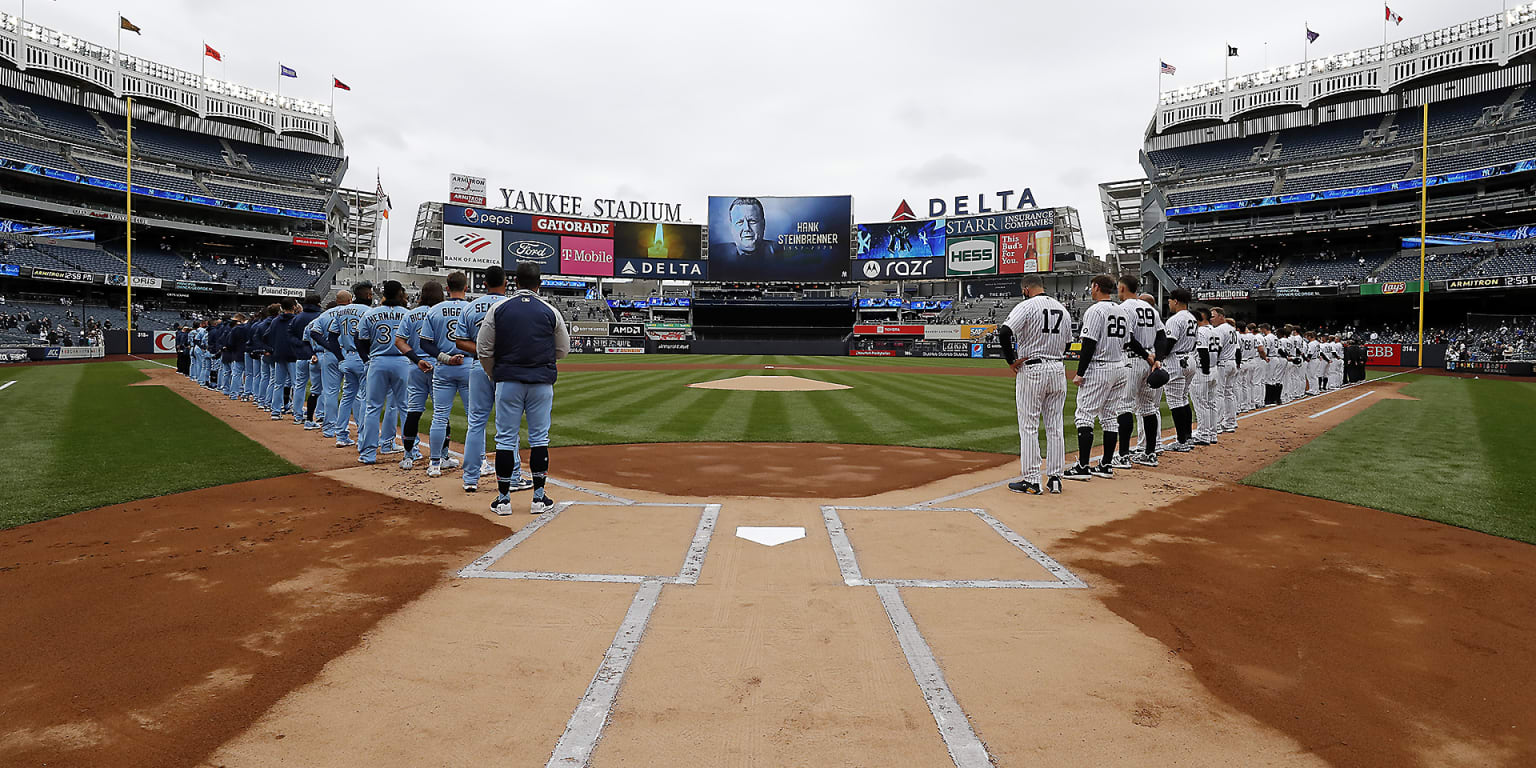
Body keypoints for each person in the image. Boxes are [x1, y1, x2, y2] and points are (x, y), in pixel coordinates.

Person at [476, 263, 570, 515]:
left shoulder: (498, 308)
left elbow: (483, 348)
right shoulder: (550, 310)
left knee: (505, 438)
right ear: (539, 284)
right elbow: (563, 350)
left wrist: (494, 373)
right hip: (541, 382)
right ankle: (539, 498)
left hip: (508, 381)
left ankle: (503, 500)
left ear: (515, 282)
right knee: (540, 438)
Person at [996, 273, 1070, 495]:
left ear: (1026, 289)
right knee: (1055, 425)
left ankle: (1032, 480)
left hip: (1033, 368)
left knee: (1029, 425)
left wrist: (1011, 360)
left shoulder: (1027, 306)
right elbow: (1068, 344)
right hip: (1057, 368)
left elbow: (1004, 332)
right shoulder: (1062, 309)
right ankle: (1055, 479)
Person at [1065, 274, 1134, 481]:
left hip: (1099, 367)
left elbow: (1089, 344)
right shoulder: (1122, 311)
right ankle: (1106, 465)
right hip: (1119, 365)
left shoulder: (1095, 310)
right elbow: (1128, 342)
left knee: (1084, 416)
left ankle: (1083, 466)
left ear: (1096, 287)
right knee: (1110, 417)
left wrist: (1080, 373)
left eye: (1091, 287)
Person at [453, 266, 510, 493]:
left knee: (476, 422)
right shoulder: (511, 305)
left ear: (484, 284)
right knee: (508, 424)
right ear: (506, 283)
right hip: (506, 367)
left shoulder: (470, 306)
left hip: (478, 365)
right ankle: (513, 476)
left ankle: (470, 478)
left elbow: (459, 341)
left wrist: (483, 351)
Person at [355, 280, 417, 465]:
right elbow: (414, 342)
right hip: (402, 362)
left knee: (372, 407)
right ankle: (412, 451)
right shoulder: (408, 314)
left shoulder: (370, 313)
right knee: (406, 407)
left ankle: (368, 453)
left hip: (378, 361)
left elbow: (360, 340)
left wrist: (368, 358)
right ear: (400, 293)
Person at [422, 272, 472, 479]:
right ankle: (480, 463)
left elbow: (425, 343)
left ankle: (435, 464)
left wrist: (446, 358)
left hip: (443, 365)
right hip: (468, 364)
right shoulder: (471, 308)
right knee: (474, 418)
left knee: (440, 416)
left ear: (447, 288)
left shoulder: (434, 310)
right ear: (466, 287)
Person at [1113, 279, 1165, 467]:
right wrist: (1157, 358)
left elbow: (1128, 338)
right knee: (1148, 407)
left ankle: (1123, 456)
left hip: (1132, 360)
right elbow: (1162, 336)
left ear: (1122, 287)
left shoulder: (1124, 308)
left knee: (1124, 406)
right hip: (1149, 361)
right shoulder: (1150, 309)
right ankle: (1150, 453)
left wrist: (1146, 355)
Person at [395, 282, 442, 469]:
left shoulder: (411, 314)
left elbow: (399, 341)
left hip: (416, 366)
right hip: (439, 365)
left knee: (413, 411)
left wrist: (416, 360)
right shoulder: (441, 312)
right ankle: (443, 455)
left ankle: (408, 455)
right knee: (441, 412)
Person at [1157, 288, 1199, 452]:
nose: (1169, 303)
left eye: (1169, 301)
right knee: (1183, 399)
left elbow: (1169, 342)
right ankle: (1187, 437)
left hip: (1176, 360)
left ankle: (1182, 441)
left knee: (1175, 401)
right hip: (1189, 358)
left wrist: (1160, 357)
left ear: (1175, 301)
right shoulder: (1192, 318)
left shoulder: (1175, 319)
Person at [288, 295, 323, 427]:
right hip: (318, 355)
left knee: (299, 385)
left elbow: (290, 336)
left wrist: (301, 345)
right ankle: (319, 415)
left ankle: (297, 414)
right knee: (320, 387)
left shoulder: (297, 318)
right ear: (318, 303)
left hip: (301, 355)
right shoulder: (321, 316)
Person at [1192, 309, 1222, 445]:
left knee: (1201, 403)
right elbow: (1219, 349)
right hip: (1214, 368)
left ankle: (1203, 434)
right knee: (1211, 403)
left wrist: (1205, 371)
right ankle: (1212, 433)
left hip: (1203, 370)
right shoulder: (1215, 331)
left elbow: (1202, 351)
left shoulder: (1200, 331)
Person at [268, 299, 301, 420]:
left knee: (278, 384)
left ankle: (275, 411)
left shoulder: (275, 320)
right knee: (296, 384)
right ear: (294, 307)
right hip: (293, 355)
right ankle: (297, 413)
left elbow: (268, 336)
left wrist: (275, 347)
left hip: (279, 354)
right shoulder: (296, 320)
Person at [1210, 308, 1240, 433]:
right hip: (1232, 362)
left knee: (1219, 393)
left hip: (1223, 363)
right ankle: (1230, 422)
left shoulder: (1219, 329)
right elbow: (1238, 350)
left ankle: (1217, 423)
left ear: (1221, 316)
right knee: (1229, 393)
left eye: (1213, 316)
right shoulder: (1232, 329)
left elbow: (1218, 348)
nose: (1211, 318)